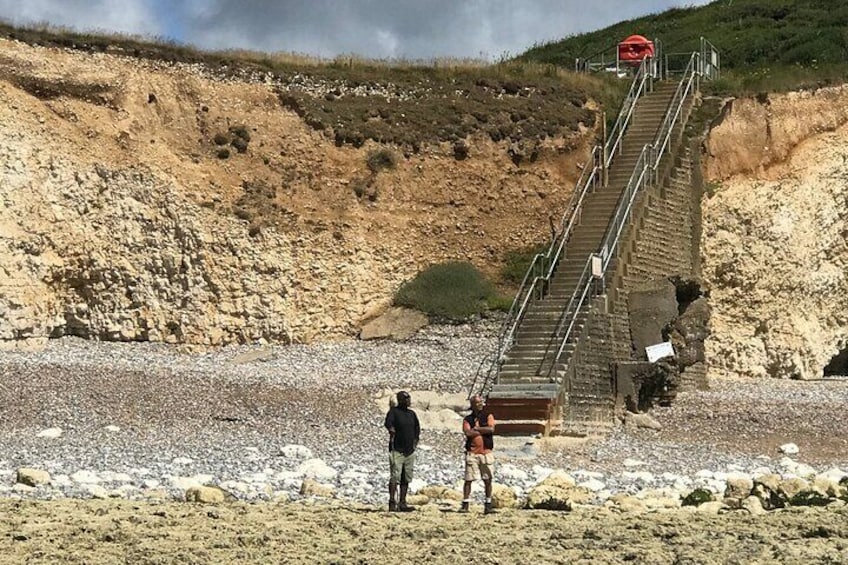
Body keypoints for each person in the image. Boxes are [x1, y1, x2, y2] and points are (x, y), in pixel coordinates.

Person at [384, 390, 420, 512]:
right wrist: (391, 429)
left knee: (406, 477)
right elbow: (388, 423)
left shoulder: (412, 414)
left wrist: (415, 442)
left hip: (409, 450)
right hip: (397, 449)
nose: (408, 401)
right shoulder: (394, 412)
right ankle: (392, 502)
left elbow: (417, 428)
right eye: (406, 399)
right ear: (400, 400)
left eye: (409, 398)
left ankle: (403, 502)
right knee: (395, 476)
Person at [461, 394, 496, 514]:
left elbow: (491, 430)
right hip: (472, 452)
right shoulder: (467, 419)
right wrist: (482, 430)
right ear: (472, 404)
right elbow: (467, 433)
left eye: (481, 402)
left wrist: (477, 429)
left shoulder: (488, 416)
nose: (480, 404)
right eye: (477, 402)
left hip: (486, 452)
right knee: (468, 479)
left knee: (488, 479)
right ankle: (465, 503)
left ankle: (488, 503)